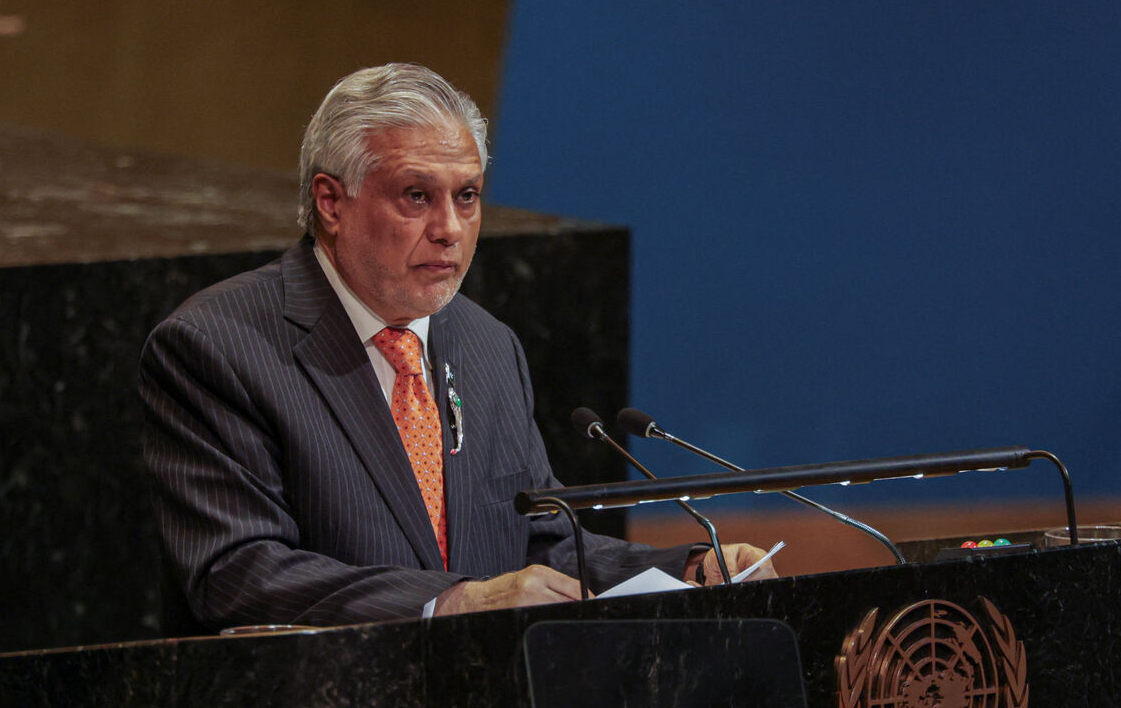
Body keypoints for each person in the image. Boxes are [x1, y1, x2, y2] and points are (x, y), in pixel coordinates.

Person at [139, 63, 775, 629]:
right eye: (417, 196)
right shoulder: (218, 347)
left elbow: (539, 543)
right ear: (331, 202)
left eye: (466, 197)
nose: (449, 229)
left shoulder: (486, 344)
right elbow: (238, 572)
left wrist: (687, 569)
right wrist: (450, 602)